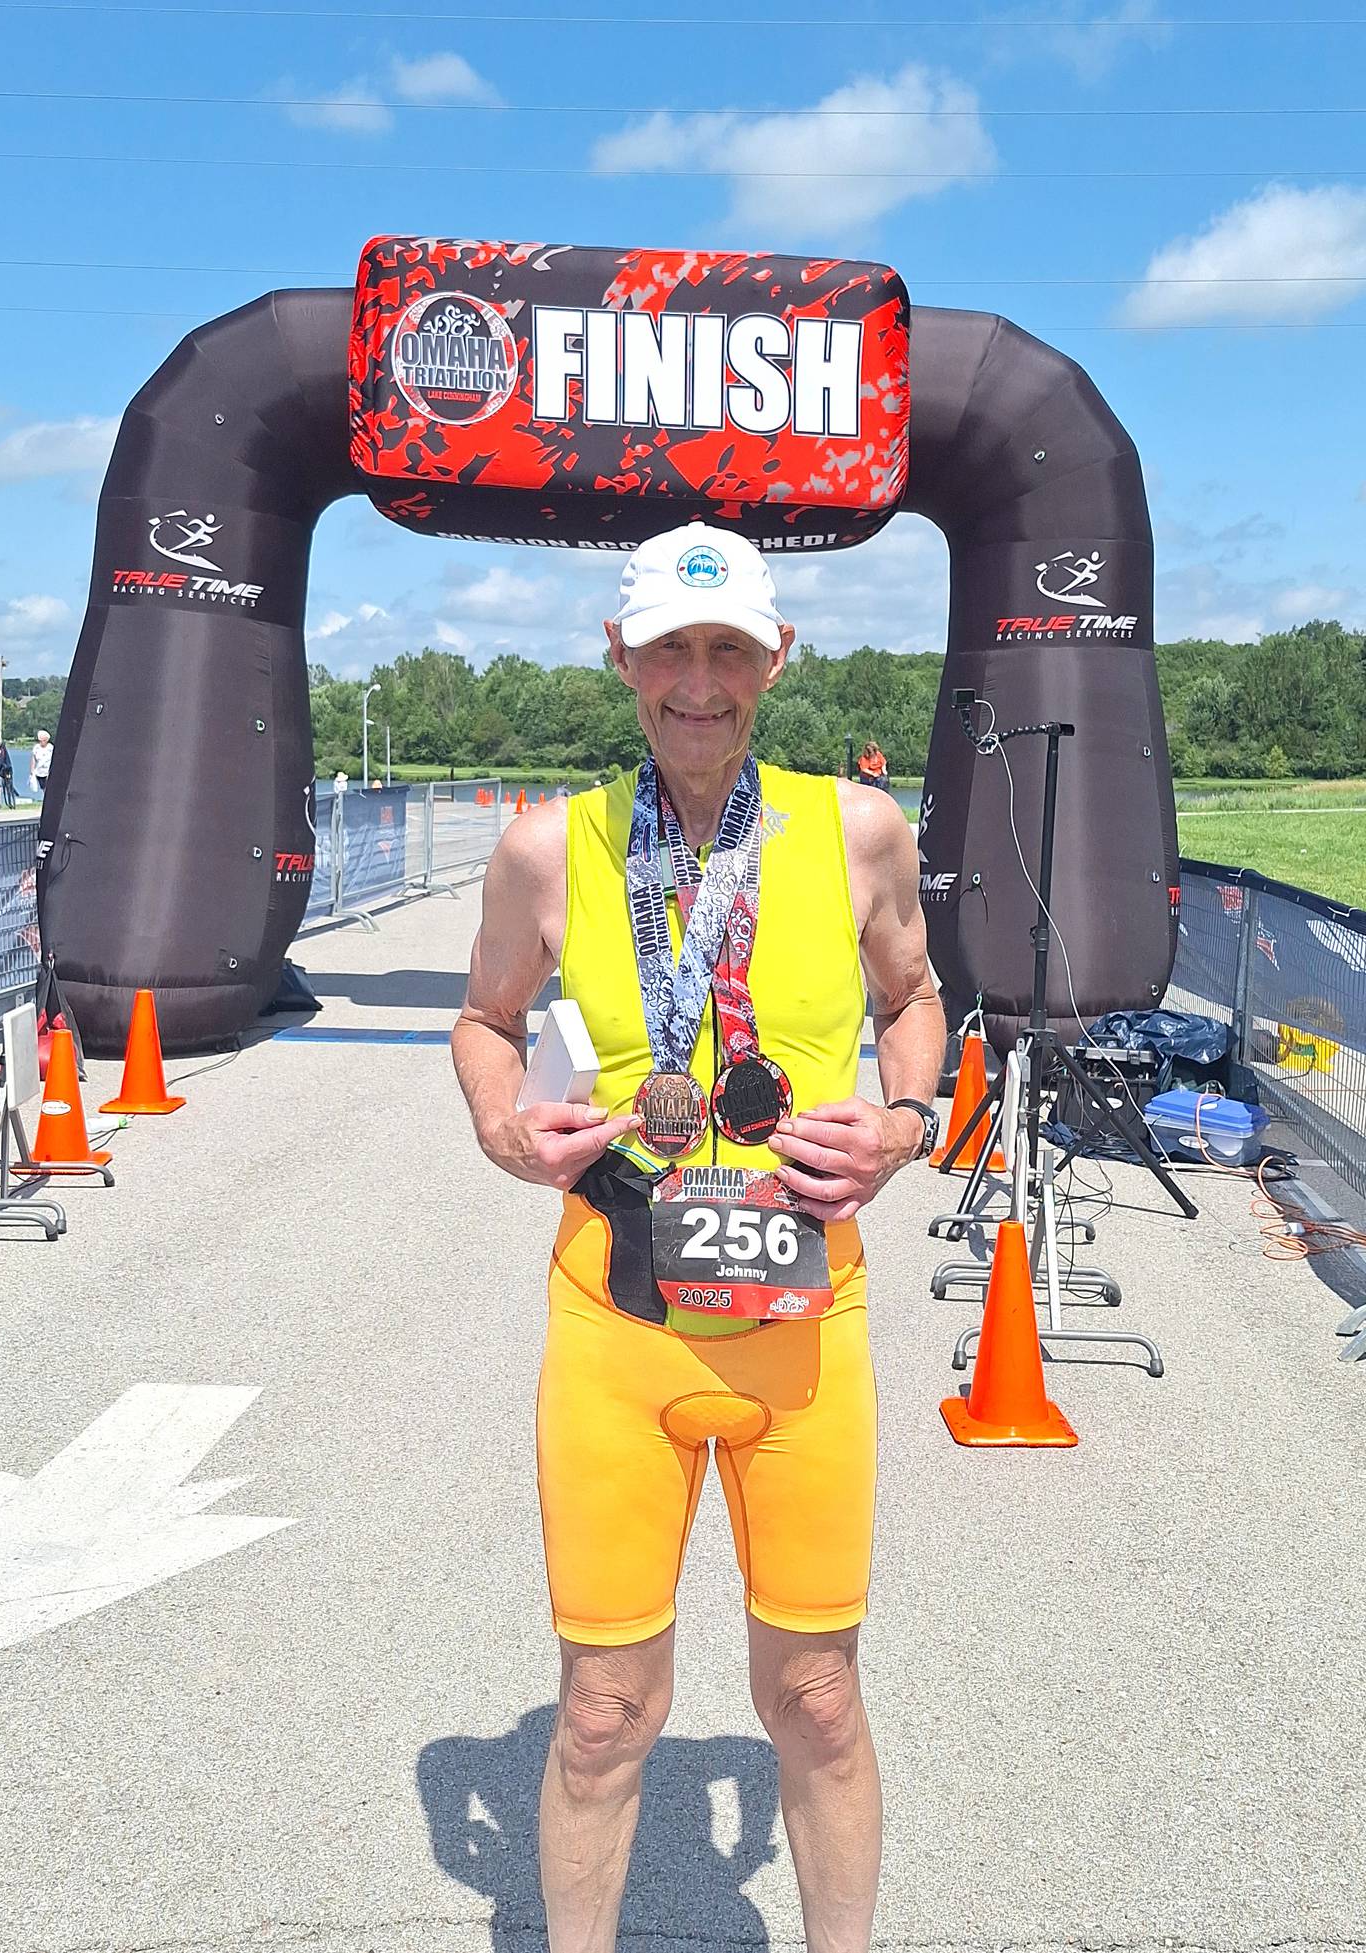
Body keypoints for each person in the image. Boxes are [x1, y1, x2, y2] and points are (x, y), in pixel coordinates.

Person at [452, 520, 945, 1953]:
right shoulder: (547, 846)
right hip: (619, 1320)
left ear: (776, 657)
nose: (700, 678)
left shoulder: (858, 828)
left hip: (805, 1321)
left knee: (818, 1698)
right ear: (620, 656)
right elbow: (485, 1026)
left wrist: (904, 1125)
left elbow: (918, 1003)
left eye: (729, 646)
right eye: (671, 644)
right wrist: (500, 1121)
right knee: (606, 1715)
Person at [28, 729, 54, 802]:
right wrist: (32, 771)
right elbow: (33, 759)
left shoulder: (50, 748)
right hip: (39, 772)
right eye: (40, 740)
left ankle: (48, 800)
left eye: (43, 740)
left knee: (48, 787)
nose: (41, 742)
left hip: (48, 771)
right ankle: (46, 800)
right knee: (43, 787)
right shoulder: (36, 747)